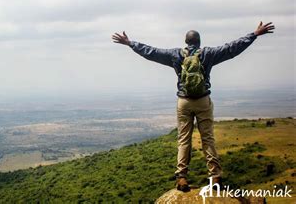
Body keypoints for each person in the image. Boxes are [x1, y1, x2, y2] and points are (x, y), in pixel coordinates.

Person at [112, 21, 275, 192]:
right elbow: (232, 48)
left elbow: (151, 52)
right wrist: (254, 34)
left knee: (183, 139)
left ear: (186, 41)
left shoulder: (175, 55)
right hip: (203, 100)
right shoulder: (209, 53)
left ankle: (182, 177)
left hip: (184, 102)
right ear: (199, 42)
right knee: (208, 138)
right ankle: (215, 177)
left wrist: (130, 43)